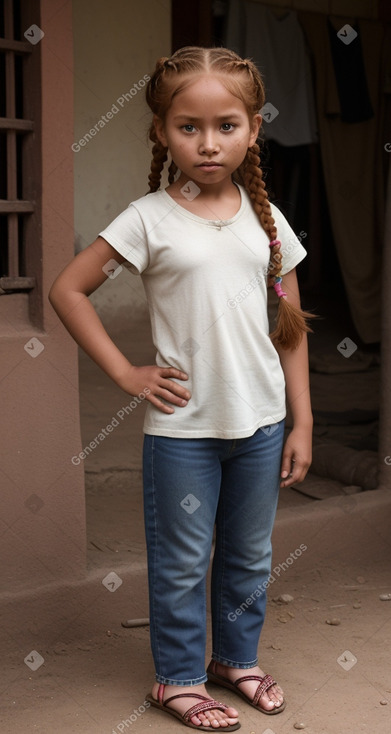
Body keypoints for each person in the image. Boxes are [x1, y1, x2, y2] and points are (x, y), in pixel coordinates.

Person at [49, 46, 314, 732]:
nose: (207, 142)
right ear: (161, 132)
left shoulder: (268, 222)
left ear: (254, 129)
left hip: (258, 425)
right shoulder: (148, 218)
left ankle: (235, 661)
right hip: (183, 432)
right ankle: (177, 679)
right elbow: (68, 289)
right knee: (182, 560)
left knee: (250, 553)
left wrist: (301, 422)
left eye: (225, 125)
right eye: (187, 126)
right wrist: (124, 371)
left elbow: (290, 328)